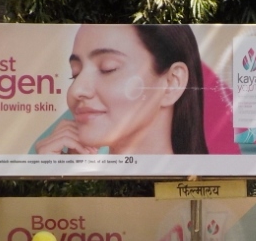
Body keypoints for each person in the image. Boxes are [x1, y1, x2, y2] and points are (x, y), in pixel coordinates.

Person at [35, 24, 209, 155]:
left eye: (107, 68)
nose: (76, 90)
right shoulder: (58, 163)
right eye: (75, 74)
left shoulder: (202, 187)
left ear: (172, 83)